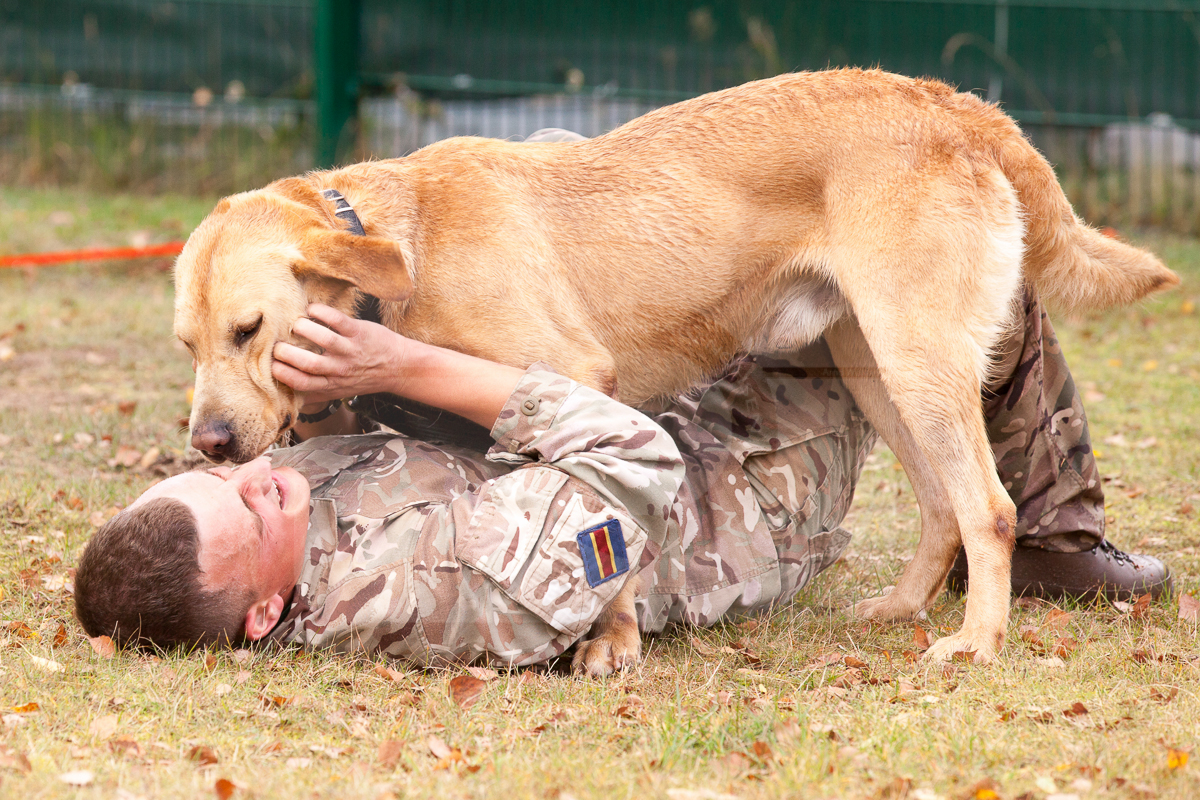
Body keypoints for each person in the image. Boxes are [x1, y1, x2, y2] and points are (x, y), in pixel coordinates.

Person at [74, 286, 1171, 662]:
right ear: (268, 613)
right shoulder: (441, 591)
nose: (259, 480)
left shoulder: (257, 515)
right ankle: (1059, 541)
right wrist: (412, 362)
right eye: (244, 508)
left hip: (658, 395)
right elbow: (634, 460)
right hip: (734, 472)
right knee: (940, 270)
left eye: (221, 480)